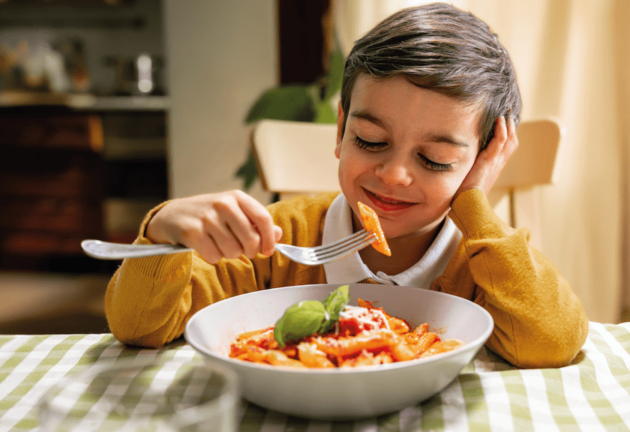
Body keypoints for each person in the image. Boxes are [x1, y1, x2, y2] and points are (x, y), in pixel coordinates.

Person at [105, 2, 588, 368]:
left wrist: (474, 203)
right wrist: (163, 233)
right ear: (340, 130)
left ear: (482, 159)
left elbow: (553, 341)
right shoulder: (275, 242)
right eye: (370, 140)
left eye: (435, 159)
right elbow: (140, 329)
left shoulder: (481, 265)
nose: (395, 175)